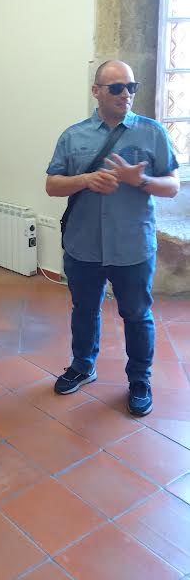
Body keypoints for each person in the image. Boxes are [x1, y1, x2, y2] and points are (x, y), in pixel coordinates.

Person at [46, 60, 179, 416]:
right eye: (117, 87)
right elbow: (52, 185)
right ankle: (82, 366)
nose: (126, 94)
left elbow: (173, 186)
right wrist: (85, 180)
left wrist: (141, 181)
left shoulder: (152, 133)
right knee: (84, 310)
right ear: (96, 91)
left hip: (132, 245)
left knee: (136, 315)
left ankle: (139, 380)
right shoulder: (73, 136)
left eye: (131, 87)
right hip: (84, 244)